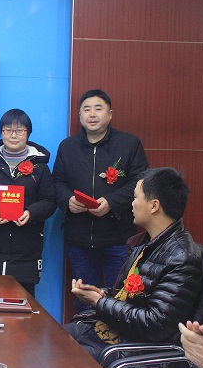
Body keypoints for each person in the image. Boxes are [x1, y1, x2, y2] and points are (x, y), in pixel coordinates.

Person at [64, 167, 202, 361]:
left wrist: (100, 303)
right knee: (51, 338)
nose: (132, 203)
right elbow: (132, 297)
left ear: (154, 206)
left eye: (136, 197)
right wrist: (102, 294)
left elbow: (155, 324)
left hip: (130, 349)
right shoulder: (146, 243)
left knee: (60, 353)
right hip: (113, 332)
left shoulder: (182, 258)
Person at [52, 89, 148, 311]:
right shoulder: (67, 147)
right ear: (79, 115)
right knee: (84, 299)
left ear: (110, 114)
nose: (92, 114)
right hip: (80, 239)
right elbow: (57, 182)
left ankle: (116, 336)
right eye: (86, 109)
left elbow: (140, 182)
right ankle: (87, 335)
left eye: (98, 109)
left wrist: (111, 202)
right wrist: (68, 200)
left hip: (118, 238)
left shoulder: (129, 144)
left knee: (121, 299)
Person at [0, 109, 56, 296]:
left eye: (19, 130)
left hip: (26, 250)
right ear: (1, 133)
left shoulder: (40, 168)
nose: (13, 135)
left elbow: (50, 201)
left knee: (23, 306)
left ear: (28, 133)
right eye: (8, 130)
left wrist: (30, 213)